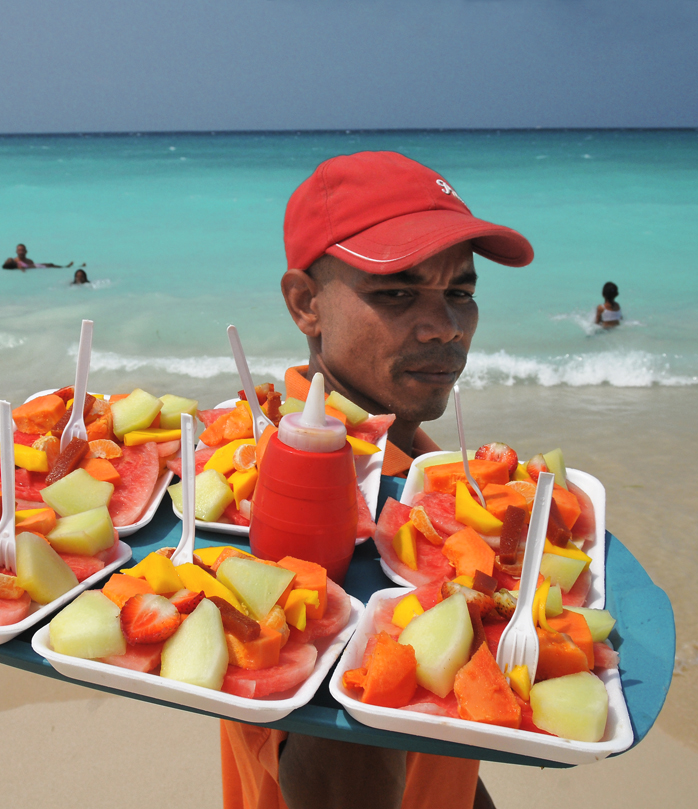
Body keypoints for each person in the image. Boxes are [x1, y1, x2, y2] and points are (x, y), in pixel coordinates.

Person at [221, 151, 534, 809]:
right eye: (396, 292)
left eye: (461, 292)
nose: (446, 326)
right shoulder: (295, 500)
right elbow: (338, 777)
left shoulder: (410, 473)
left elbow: (431, 725)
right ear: (305, 303)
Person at [3, 243, 74, 270]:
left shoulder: (29, 261)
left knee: (50, 264)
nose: (21, 252)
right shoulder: (15, 261)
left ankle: (65, 267)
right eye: (19, 250)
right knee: (50, 265)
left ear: (26, 251)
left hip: (36, 266)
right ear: (16, 252)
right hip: (34, 267)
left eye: (22, 250)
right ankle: (66, 267)